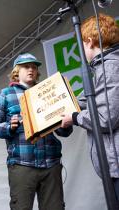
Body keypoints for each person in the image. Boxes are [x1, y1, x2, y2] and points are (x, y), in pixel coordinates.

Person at [0, 53, 73, 210]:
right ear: (16, 71)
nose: (31, 70)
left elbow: (64, 133)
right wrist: (9, 127)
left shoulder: (49, 92)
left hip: (51, 163)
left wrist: (65, 123)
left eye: (34, 67)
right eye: (26, 66)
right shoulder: (6, 94)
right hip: (22, 164)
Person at [61, 13, 119, 201]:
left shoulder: (110, 67)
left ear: (89, 41)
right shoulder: (106, 66)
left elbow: (105, 118)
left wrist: (74, 117)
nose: (82, 51)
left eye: (82, 46)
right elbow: (96, 99)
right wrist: (66, 98)